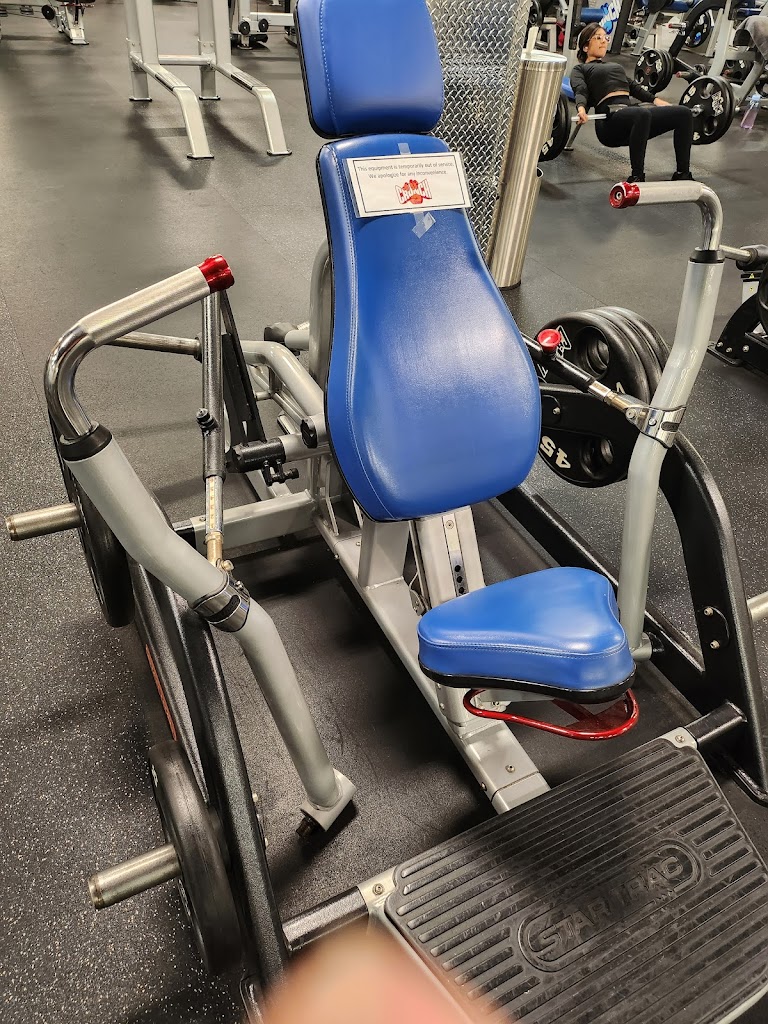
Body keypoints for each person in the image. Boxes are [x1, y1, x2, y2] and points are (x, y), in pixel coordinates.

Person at [569, 23, 694, 183]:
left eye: (606, 38)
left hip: (632, 117)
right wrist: (581, 109)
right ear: (585, 47)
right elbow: (580, 89)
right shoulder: (580, 69)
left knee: (683, 113)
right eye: (598, 37)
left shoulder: (614, 66)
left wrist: (657, 101)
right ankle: (637, 177)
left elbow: (634, 88)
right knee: (642, 114)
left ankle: (683, 173)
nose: (604, 41)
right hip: (610, 123)